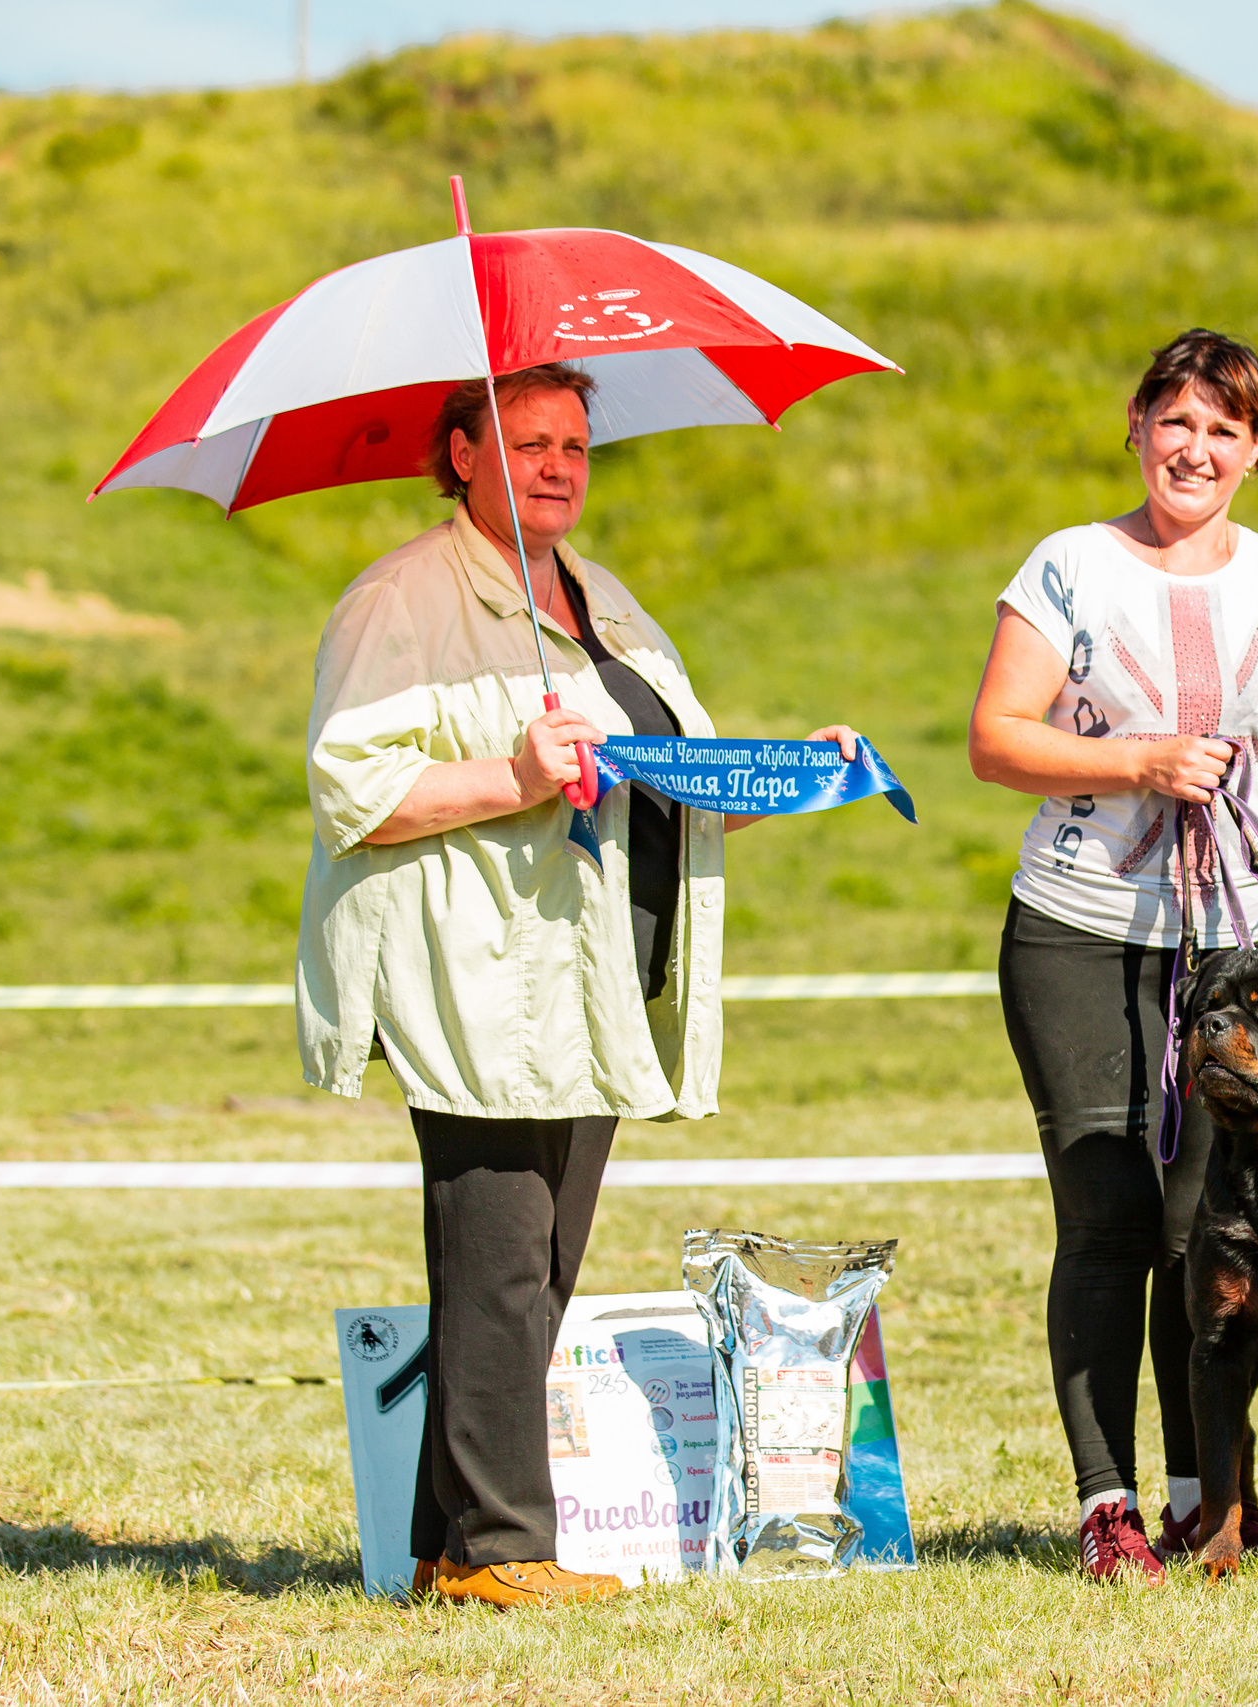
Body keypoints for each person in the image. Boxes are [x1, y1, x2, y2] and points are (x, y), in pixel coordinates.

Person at [296, 362, 862, 1609]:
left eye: (575, 446)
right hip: (477, 969)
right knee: (497, 1256)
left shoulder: (606, 601)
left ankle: (441, 1543)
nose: (557, 466)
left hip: (599, 977)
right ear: (458, 454)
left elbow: (666, 774)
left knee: (541, 1264)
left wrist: (788, 773)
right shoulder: (401, 599)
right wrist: (513, 772)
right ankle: (504, 1554)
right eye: (528, 442)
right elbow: (356, 792)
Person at [966, 330, 1258, 1583]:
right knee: (1108, 1219)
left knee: (1201, 1234)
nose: (1196, 449)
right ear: (1135, 425)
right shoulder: (1067, 566)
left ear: (1255, 451)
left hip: (1240, 941)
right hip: (1077, 929)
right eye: (1175, 422)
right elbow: (995, 738)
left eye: (1223, 431)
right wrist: (1135, 760)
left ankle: (1205, 1503)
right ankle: (1106, 1504)